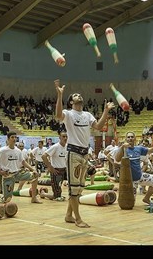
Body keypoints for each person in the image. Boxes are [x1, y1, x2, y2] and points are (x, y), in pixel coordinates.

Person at [55, 79, 114, 228]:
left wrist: (106, 111)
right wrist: (59, 95)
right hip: (73, 152)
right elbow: (57, 115)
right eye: (75, 95)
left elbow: (99, 127)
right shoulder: (68, 113)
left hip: (84, 153)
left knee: (79, 188)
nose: (78, 95)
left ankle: (68, 215)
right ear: (70, 102)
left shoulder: (87, 115)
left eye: (79, 94)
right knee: (74, 189)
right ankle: (78, 219)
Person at [115, 132, 153, 204]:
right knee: (130, 203)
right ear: (126, 139)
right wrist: (122, 147)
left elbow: (151, 150)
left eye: (132, 137)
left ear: (135, 139)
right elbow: (117, 159)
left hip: (140, 176)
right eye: (128, 137)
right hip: (129, 181)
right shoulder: (123, 150)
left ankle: (146, 198)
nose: (130, 138)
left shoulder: (139, 148)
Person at [0, 132, 41, 204]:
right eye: (12, 137)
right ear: (8, 139)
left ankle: (33, 198)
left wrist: (33, 169)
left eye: (15, 137)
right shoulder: (2, 150)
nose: (14, 139)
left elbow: (23, 162)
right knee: (6, 200)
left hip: (18, 173)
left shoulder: (18, 151)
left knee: (35, 176)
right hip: (8, 175)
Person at [40, 131, 68, 201]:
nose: (65, 138)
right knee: (56, 196)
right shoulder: (55, 147)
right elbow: (44, 156)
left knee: (59, 190)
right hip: (55, 171)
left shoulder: (67, 147)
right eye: (63, 136)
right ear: (59, 138)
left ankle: (46, 193)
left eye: (66, 136)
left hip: (63, 170)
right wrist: (50, 167)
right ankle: (43, 194)